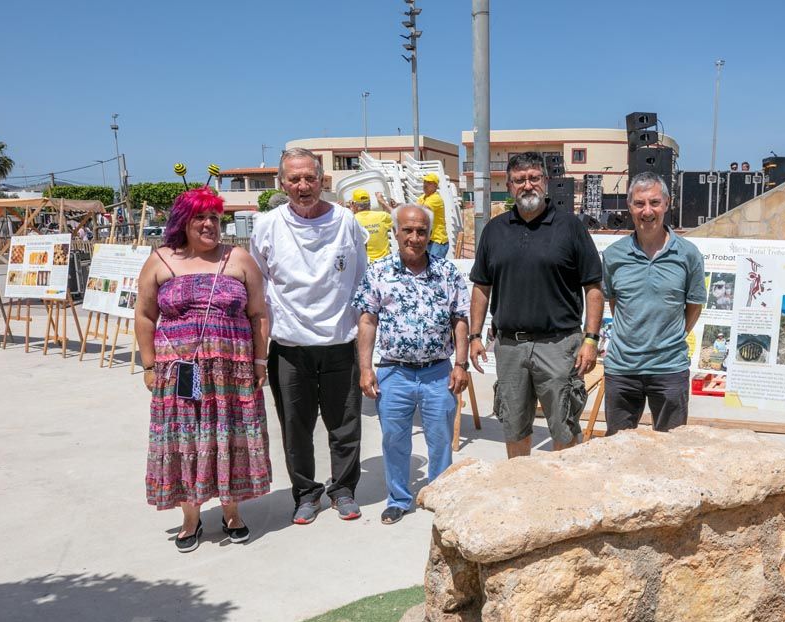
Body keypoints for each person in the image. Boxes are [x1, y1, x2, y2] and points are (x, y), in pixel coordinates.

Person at [135, 187, 272, 552]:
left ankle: (231, 513)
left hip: (233, 372)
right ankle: (190, 518)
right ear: (184, 221)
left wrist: (260, 361)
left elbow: (258, 313)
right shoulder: (160, 261)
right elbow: (145, 315)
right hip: (179, 372)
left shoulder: (238, 258)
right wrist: (148, 365)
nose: (210, 224)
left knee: (229, 436)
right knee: (184, 440)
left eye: (215, 217)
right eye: (201, 217)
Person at [250, 147, 367, 524]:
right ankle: (305, 493)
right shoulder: (267, 225)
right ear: (282, 183)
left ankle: (344, 489)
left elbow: (361, 280)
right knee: (295, 429)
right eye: (294, 179)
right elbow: (260, 285)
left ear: (322, 180)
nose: (303, 186)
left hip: (340, 343)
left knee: (345, 425)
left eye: (310, 178)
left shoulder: (347, 222)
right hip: (289, 347)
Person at [468, 151, 604, 458]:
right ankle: (521, 494)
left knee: (564, 428)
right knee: (514, 427)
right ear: (509, 185)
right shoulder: (494, 230)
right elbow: (481, 287)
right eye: (519, 180)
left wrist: (591, 339)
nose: (527, 186)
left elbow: (593, 288)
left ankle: (565, 500)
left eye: (533, 178)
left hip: (559, 346)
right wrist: (475, 335)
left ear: (545, 181)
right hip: (509, 348)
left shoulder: (570, 227)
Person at [353, 204, 470, 524]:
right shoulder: (378, 272)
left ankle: (440, 495)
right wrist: (365, 368)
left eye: (421, 231)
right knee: (394, 439)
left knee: (441, 439)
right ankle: (399, 498)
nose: (415, 237)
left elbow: (460, 319)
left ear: (430, 235)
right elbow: (367, 322)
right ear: (395, 233)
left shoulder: (447, 272)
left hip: (437, 372)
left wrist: (461, 364)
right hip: (394, 372)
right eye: (408, 230)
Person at [600, 173, 705, 436]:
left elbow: (693, 306)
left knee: (672, 451)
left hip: (669, 369)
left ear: (667, 203)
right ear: (629, 206)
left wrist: (673, 336)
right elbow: (615, 304)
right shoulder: (613, 256)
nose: (647, 211)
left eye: (654, 202)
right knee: (618, 451)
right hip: (622, 370)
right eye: (639, 203)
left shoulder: (689, 254)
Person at [383, 173, 449, 258]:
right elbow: (414, 207)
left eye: (429, 183)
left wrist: (385, 204)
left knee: (433, 268)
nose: (425, 185)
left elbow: (421, 211)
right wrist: (398, 205)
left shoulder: (435, 198)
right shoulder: (423, 197)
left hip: (437, 241)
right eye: (424, 182)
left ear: (435, 186)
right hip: (429, 240)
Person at [350, 189, 393, 262]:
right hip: (385, 262)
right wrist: (382, 202)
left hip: (365, 265)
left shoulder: (351, 220)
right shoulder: (382, 216)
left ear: (354, 205)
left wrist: (350, 210)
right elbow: (398, 216)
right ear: (369, 204)